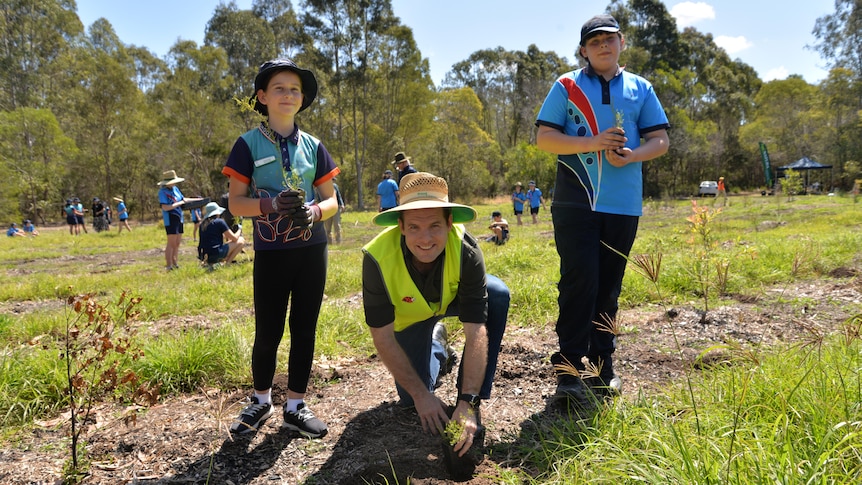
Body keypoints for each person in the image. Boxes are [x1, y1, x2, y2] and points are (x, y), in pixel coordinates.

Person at [535, 14, 670, 406]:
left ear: (622, 43)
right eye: (594, 42)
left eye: (609, 39)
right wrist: (594, 141)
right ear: (583, 50)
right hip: (575, 200)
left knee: (609, 285)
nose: (603, 46)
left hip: (624, 204)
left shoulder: (641, 88)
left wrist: (632, 156)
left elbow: (659, 140)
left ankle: (601, 367)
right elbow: (545, 138)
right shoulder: (566, 85)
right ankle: (568, 370)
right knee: (579, 280)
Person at [222, 58, 339, 437]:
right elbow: (234, 204)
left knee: (305, 329)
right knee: (268, 330)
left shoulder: (315, 146)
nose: (287, 94)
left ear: (302, 99)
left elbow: (333, 199)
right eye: (279, 88)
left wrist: (314, 211)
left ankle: (295, 405)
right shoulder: (247, 145)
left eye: (294, 89)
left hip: (311, 251)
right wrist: (270, 205)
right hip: (271, 253)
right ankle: (260, 402)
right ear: (262, 97)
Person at [362, 171, 510, 459]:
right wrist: (421, 396)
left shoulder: (466, 249)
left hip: (452, 301)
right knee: (409, 398)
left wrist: (467, 401)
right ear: (400, 226)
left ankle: (475, 396)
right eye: (414, 227)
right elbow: (382, 337)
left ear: (449, 222)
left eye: (434, 226)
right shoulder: (377, 258)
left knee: (498, 294)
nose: (425, 238)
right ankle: (439, 346)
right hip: (411, 318)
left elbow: (475, 329)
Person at [158, 170, 202, 271]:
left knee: (177, 243)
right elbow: (165, 207)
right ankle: (168, 265)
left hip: (179, 217)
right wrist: (179, 203)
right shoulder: (162, 192)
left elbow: (183, 199)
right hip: (170, 219)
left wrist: (197, 200)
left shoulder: (176, 189)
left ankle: (175, 262)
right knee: (171, 243)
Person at [197, 201, 245, 268]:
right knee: (241, 240)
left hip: (205, 255)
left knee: (228, 243)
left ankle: (211, 264)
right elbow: (235, 238)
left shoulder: (202, 224)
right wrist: (239, 229)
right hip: (216, 253)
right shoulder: (219, 222)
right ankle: (227, 264)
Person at [324, 178, 345, 244]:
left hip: (336, 208)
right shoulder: (322, 188)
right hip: (326, 208)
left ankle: (338, 241)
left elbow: (339, 196)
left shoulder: (335, 186)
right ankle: (329, 242)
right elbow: (319, 198)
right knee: (328, 227)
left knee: (337, 225)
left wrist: (342, 204)